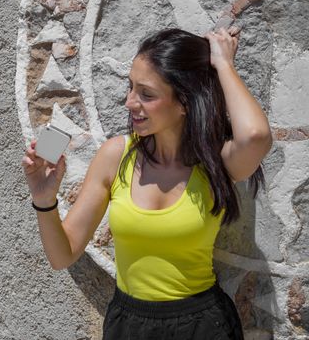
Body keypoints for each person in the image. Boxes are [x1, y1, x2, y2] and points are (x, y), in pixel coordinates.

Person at [21, 27, 272, 339]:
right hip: (130, 324)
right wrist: (44, 200)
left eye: (146, 94)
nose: (129, 102)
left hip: (202, 325)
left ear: (185, 102)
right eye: (130, 88)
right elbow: (63, 255)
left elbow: (255, 135)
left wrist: (223, 64)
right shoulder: (116, 155)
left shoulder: (215, 164)